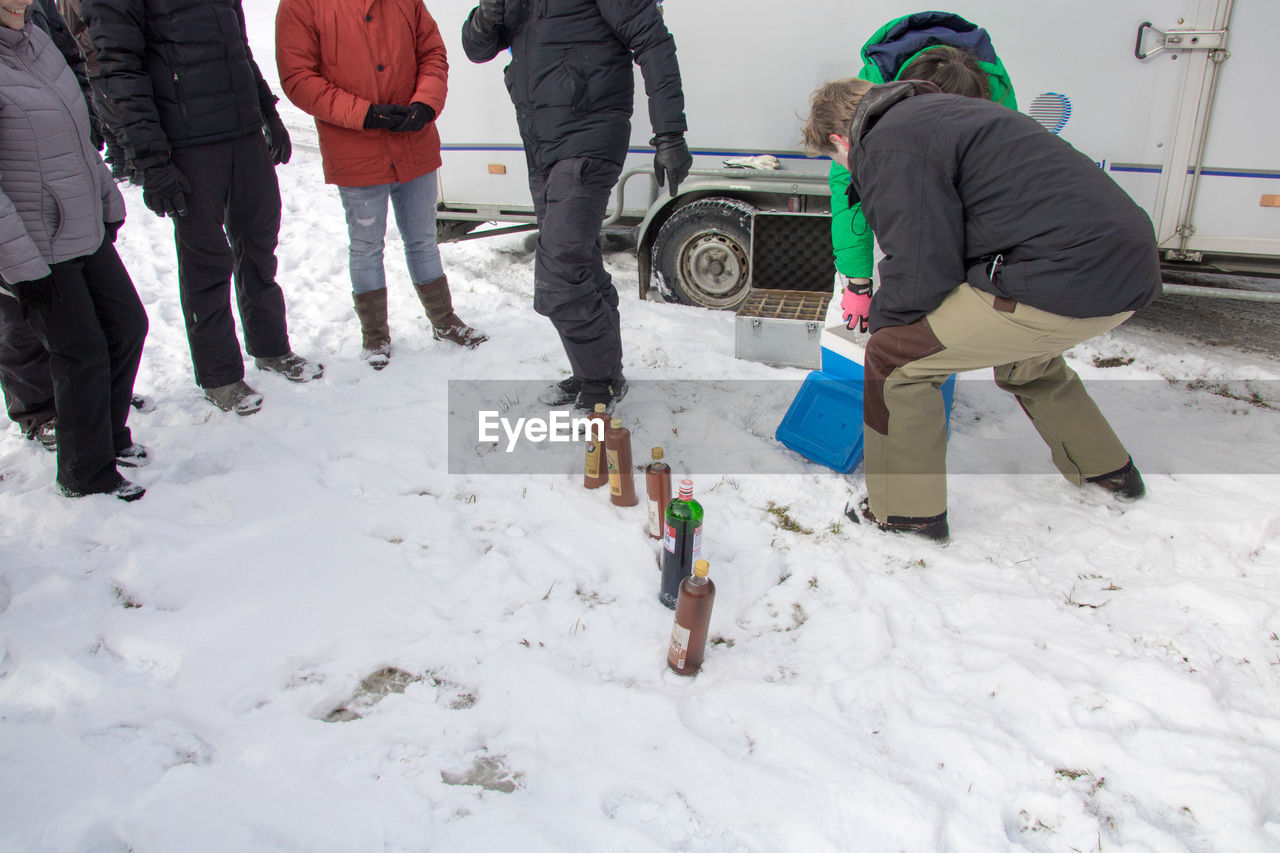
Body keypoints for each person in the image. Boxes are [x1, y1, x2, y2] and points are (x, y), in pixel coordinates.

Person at [802, 78, 1161, 541]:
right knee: (1026, 357)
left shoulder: (889, 143)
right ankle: (1107, 469)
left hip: (1062, 276)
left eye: (838, 161)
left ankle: (905, 513)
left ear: (839, 139)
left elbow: (920, 260)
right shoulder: (950, 114)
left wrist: (886, 327)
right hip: (1125, 273)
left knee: (897, 360)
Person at [83, 0, 322, 416]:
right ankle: (219, 374)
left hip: (243, 130)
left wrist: (267, 112)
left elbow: (240, 49)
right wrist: (151, 160)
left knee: (260, 244)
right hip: (186, 142)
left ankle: (270, 347)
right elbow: (120, 71)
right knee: (207, 262)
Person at [462, 0, 691, 411]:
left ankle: (600, 382)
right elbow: (476, 47)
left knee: (560, 271)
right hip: (540, 142)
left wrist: (669, 133)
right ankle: (597, 373)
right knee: (579, 262)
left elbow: (653, 41)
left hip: (591, 134)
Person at [275, 0, 487, 371]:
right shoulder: (301, 5)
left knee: (422, 238)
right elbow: (298, 78)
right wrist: (364, 114)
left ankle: (444, 320)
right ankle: (375, 336)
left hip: (413, 140)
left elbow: (432, 53)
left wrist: (425, 103)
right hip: (355, 147)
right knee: (366, 245)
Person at [1, 0, 149, 500]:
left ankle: (106, 437)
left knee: (127, 325)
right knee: (80, 352)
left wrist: (107, 197)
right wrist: (21, 267)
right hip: (35, 243)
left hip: (80, 220)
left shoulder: (39, 41)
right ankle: (85, 473)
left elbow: (79, 135)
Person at [830, 12, 1017, 336]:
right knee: (880, 278)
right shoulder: (871, 92)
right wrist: (858, 280)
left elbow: (1002, 187)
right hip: (894, 201)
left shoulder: (996, 96)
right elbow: (850, 188)